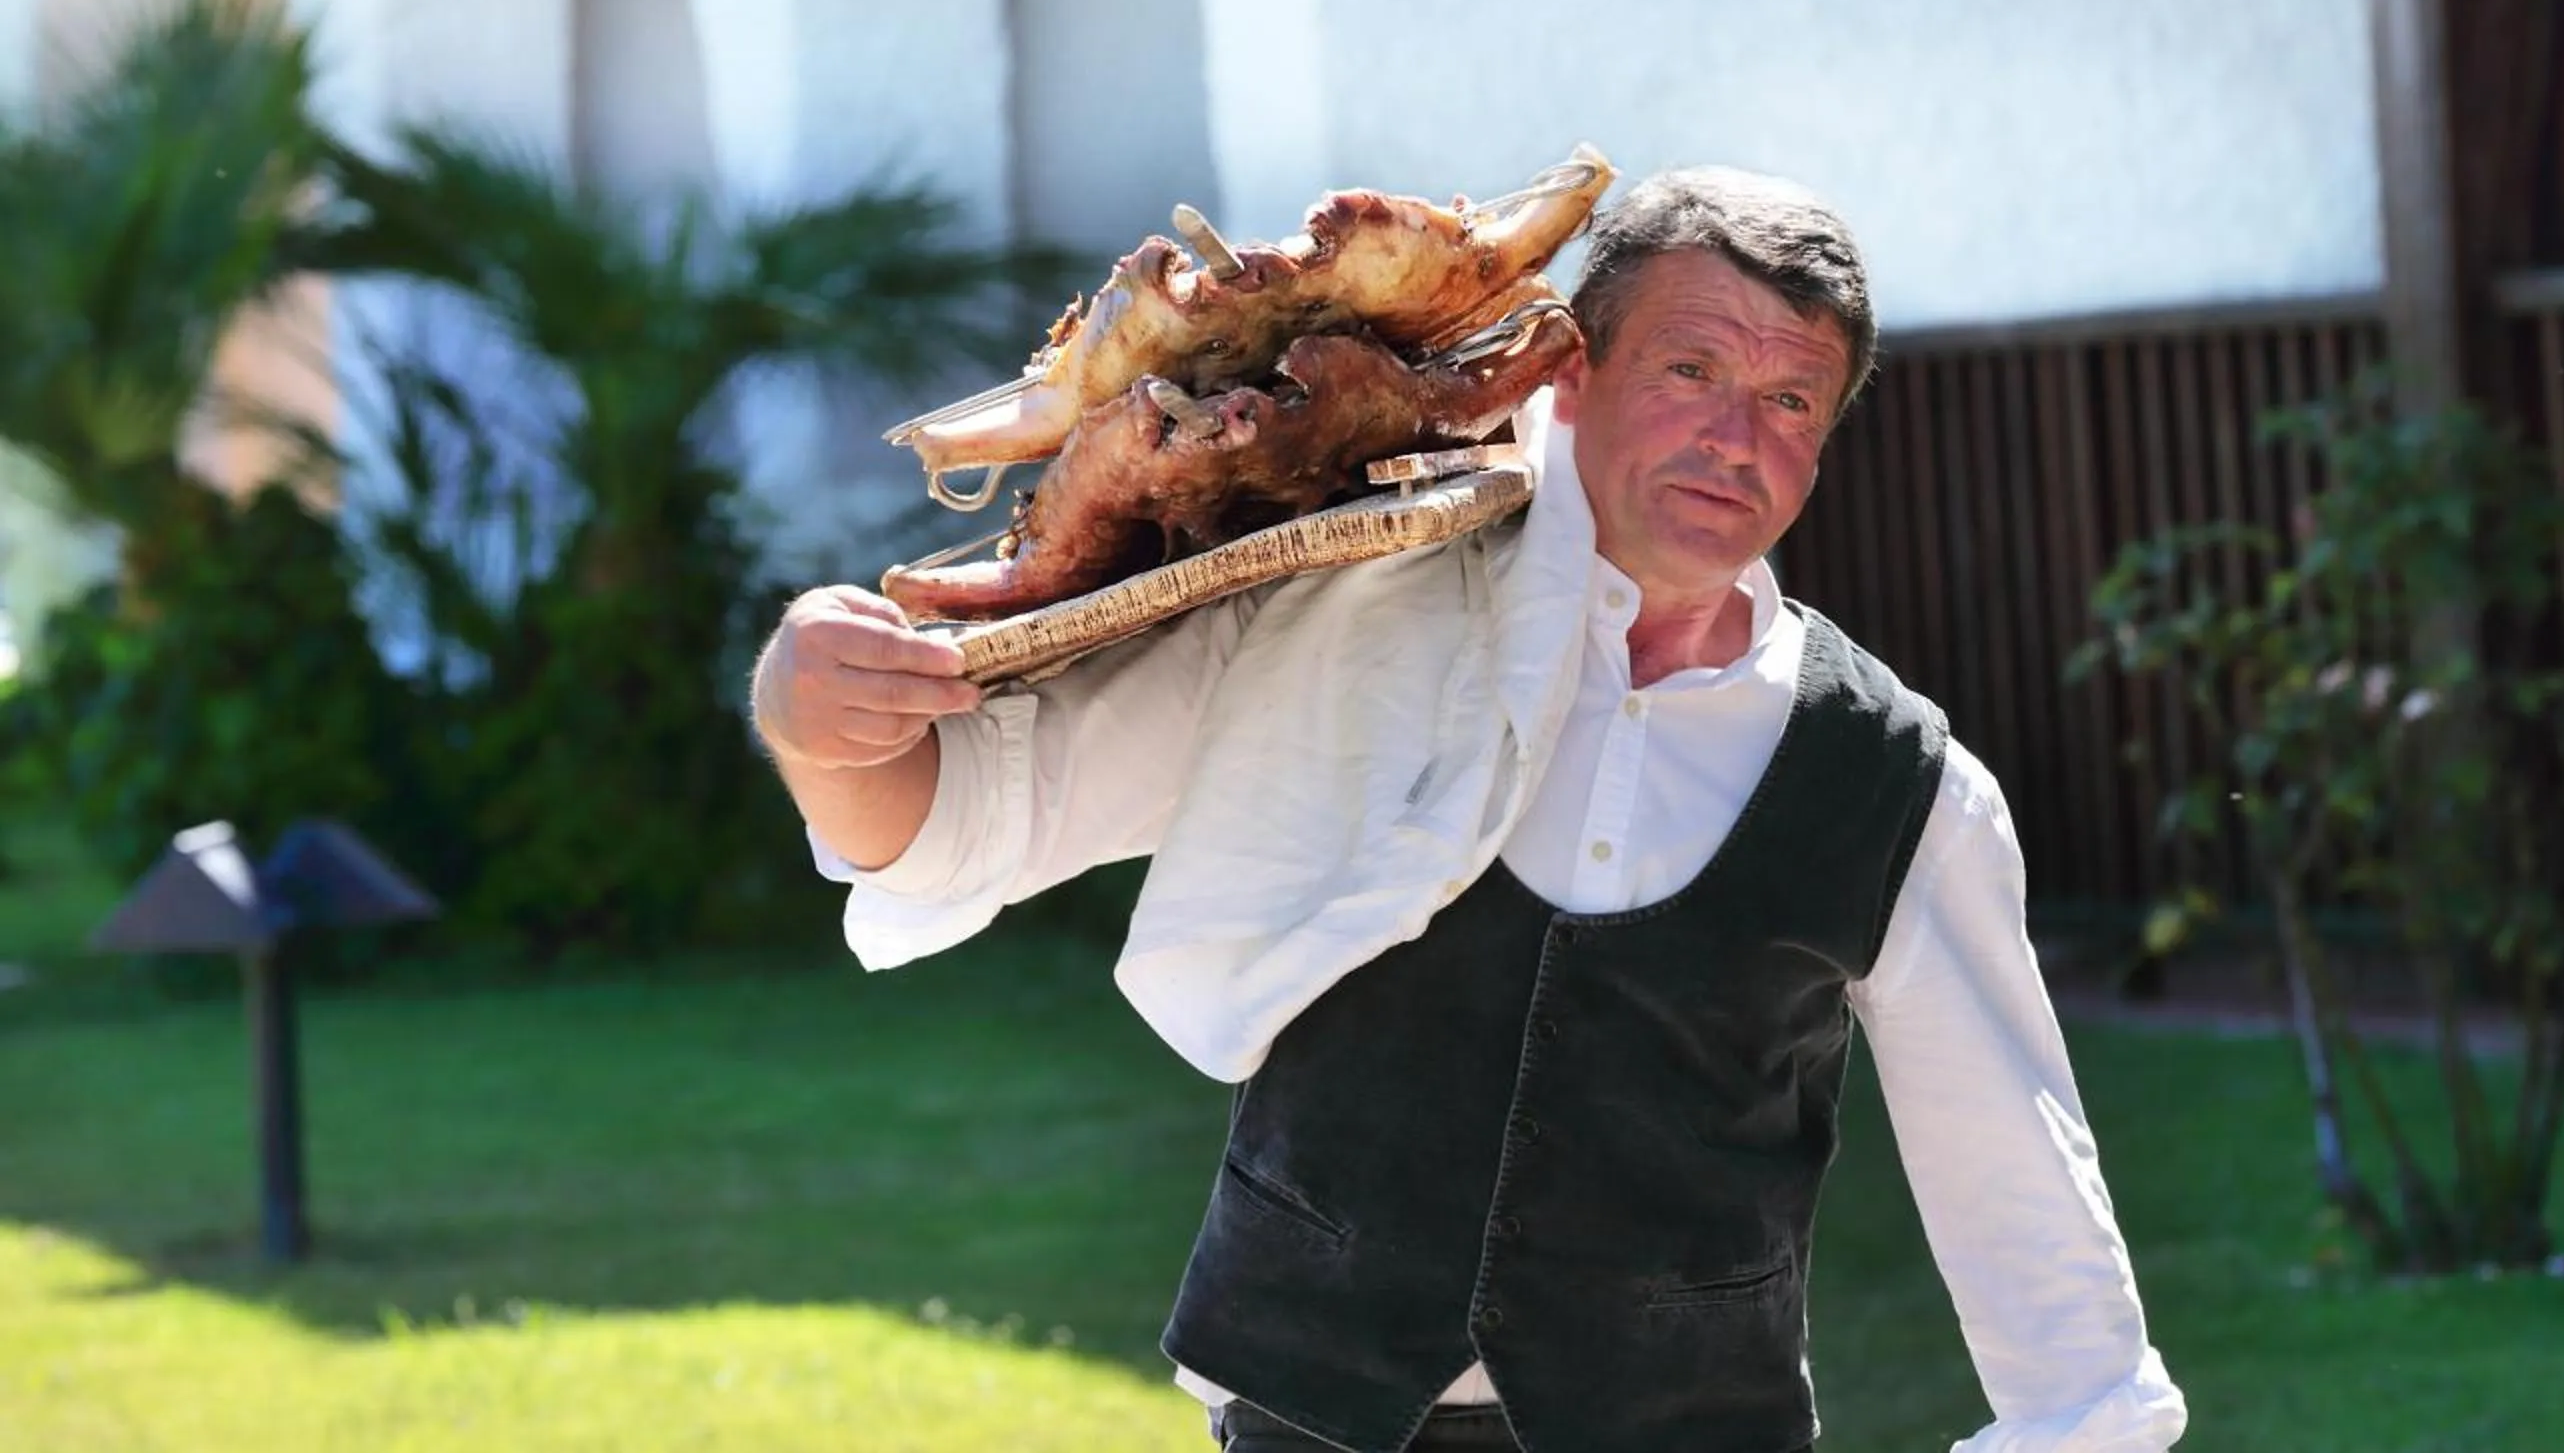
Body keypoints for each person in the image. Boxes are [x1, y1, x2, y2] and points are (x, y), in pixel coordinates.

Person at [753, 167, 2188, 1453]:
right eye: (1689, 368)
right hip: (1315, 1414)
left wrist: (2079, 1427)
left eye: (1790, 399)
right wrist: (815, 717)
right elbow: (961, 815)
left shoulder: (1897, 782)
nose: (1734, 436)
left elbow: (2018, 1173)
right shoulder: (1343, 612)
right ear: (1565, 376)